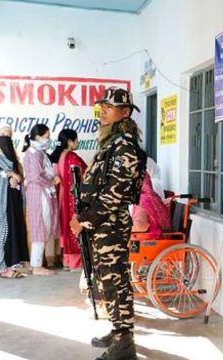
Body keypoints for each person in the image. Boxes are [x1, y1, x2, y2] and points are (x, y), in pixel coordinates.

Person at [70, 86, 146, 360]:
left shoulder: (125, 146)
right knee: (105, 279)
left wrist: (84, 220)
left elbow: (115, 193)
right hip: (101, 225)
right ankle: (117, 330)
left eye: (108, 107)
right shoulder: (110, 143)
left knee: (116, 281)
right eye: (100, 107)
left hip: (110, 224)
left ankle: (125, 341)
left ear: (124, 112)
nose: (101, 111)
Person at [0, 126, 28, 279]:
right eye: (3, 134)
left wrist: (17, 177)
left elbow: (21, 174)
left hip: (13, 201)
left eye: (9, 135)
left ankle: (9, 265)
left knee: (13, 232)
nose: (6, 137)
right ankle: (1, 268)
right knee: (1, 233)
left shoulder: (14, 155)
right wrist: (8, 174)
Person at [23, 124, 60, 276]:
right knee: (40, 227)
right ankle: (36, 265)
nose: (48, 139)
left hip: (41, 192)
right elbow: (36, 176)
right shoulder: (34, 153)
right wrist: (53, 182)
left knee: (43, 227)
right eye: (46, 136)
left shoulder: (39, 152)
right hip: (39, 193)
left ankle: (37, 262)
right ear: (38, 137)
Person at [50, 129, 87, 271]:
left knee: (67, 225)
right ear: (70, 142)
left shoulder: (60, 156)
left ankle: (67, 261)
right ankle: (75, 262)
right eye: (76, 140)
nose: (77, 143)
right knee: (74, 225)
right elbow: (84, 173)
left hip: (63, 196)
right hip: (72, 196)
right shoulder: (72, 156)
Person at [131, 172, 171, 236]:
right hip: (165, 236)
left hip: (154, 240)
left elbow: (140, 227)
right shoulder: (154, 196)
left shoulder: (141, 202)